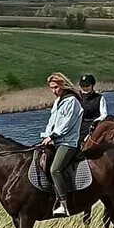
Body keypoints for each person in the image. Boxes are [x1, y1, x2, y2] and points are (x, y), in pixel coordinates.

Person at [40, 72, 84, 216]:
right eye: (51, 88)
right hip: (55, 140)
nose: (54, 91)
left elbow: (67, 124)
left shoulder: (72, 101)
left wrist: (53, 135)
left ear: (63, 85)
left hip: (68, 142)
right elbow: (51, 122)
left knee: (55, 169)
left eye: (56, 87)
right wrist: (46, 135)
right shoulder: (57, 102)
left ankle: (64, 204)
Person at [78, 74, 109, 143]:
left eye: (87, 86)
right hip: (80, 126)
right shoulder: (77, 98)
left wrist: (95, 122)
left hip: (95, 126)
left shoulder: (99, 98)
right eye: (83, 86)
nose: (85, 88)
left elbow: (104, 114)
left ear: (92, 85)